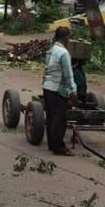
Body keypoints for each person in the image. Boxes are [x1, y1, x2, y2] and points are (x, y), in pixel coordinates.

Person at [42, 27, 77, 156]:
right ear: (65, 37)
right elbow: (68, 74)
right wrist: (73, 91)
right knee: (60, 119)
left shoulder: (50, 51)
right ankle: (59, 147)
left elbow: (46, 71)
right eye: (69, 37)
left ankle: (52, 144)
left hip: (47, 87)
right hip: (57, 89)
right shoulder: (63, 53)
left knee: (51, 118)